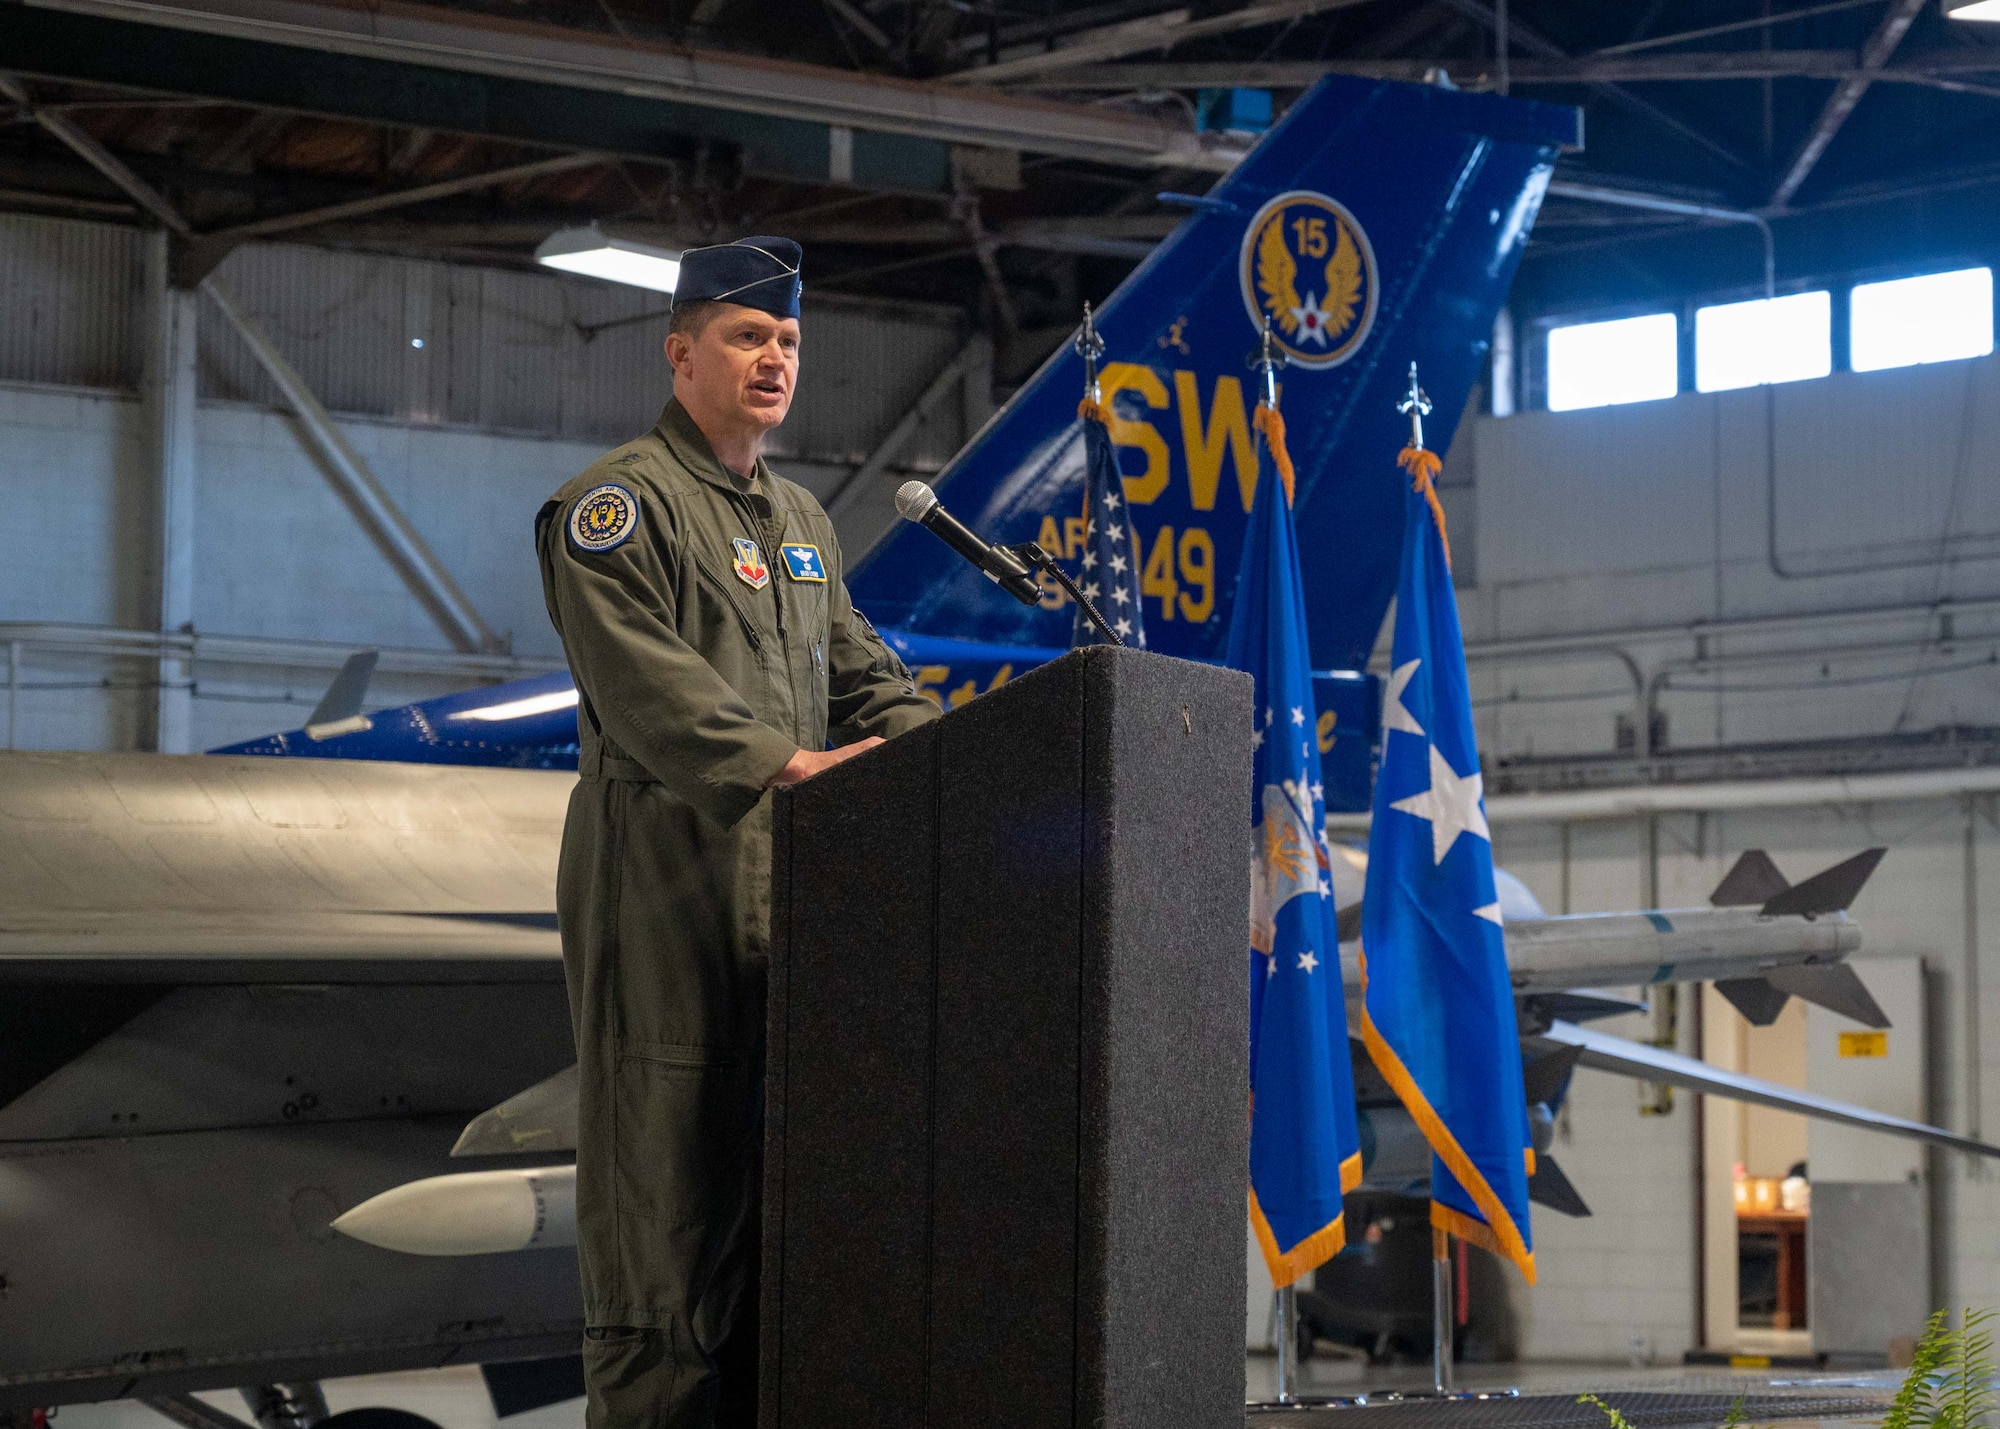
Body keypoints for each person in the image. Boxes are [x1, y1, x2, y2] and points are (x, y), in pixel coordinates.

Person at [535, 235, 939, 1429]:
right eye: (746, 336)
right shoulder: (613, 508)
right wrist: (789, 763)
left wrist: (968, 763)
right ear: (679, 354)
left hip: (797, 917)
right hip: (668, 902)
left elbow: (865, 677)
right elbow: (648, 689)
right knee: (668, 1250)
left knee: (782, 1251)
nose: (774, 360)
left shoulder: (798, 515)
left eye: (789, 341)